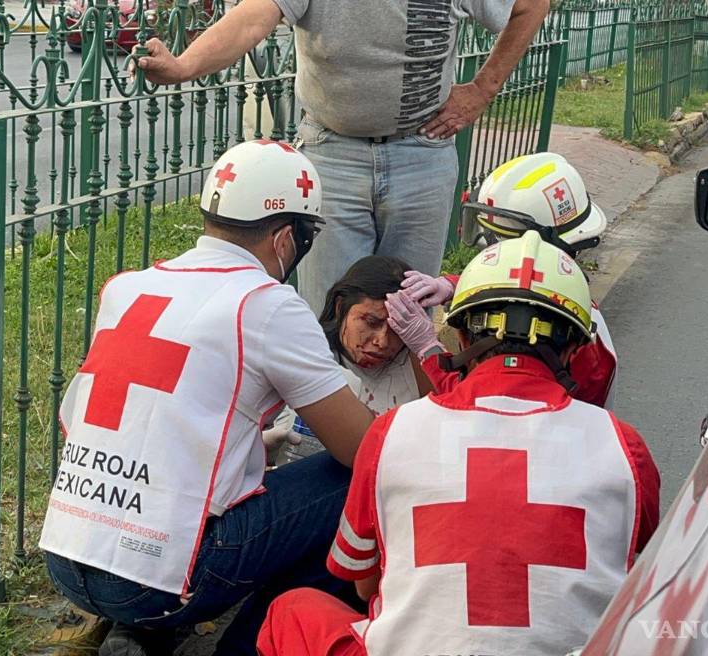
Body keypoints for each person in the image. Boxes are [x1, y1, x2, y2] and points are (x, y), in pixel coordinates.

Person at [39, 140, 376, 656]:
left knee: (210, 493)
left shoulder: (128, 288)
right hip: (153, 580)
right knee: (352, 487)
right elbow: (365, 450)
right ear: (287, 237)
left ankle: (145, 638)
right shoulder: (265, 304)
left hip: (67, 556)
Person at [256, 231, 661, 656]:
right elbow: (633, 571)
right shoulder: (625, 449)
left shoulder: (393, 434)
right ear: (573, 348)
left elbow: (365, 583)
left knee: (291, 611)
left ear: (463, 334)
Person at [132, 0, 552, 312]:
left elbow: (531, 5)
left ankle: (397, 426)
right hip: (332, 152)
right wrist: (184, 66)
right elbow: (253, 17)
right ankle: (326, 427)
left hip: (422, 152)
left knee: (410, 310)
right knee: (330, 312)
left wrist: (483, 89)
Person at [393, 152, 619, 408]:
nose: (488, 247)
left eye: (497, 238)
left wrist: (429, 351)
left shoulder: (581, 353)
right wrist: (455, 286)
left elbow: (482, 405)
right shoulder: (571, 313)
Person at [272, 256, 437, 462]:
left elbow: (454, 427)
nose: (382, 341)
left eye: (398, 329)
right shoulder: (307, 358)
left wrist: (427, 349)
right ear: (340, 307)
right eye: (370, 322)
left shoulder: (417, 362)